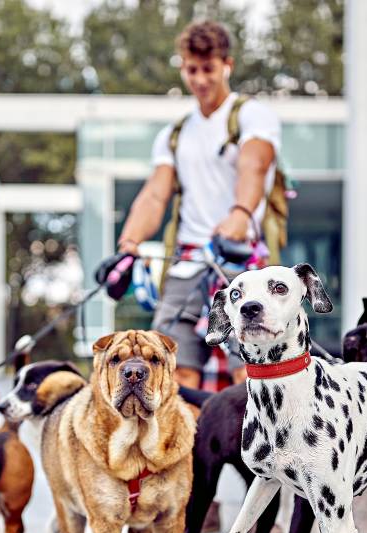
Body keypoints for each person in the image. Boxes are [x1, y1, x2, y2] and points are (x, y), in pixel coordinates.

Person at [116, 20, 281, 388]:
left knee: (249, 370)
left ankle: (250, 444)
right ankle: (186, 443)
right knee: (174, 367)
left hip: (240, 257)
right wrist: (129, 245)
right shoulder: (174, 135)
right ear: (183, 67)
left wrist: (239, 215)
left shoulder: (251, 116)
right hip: (187, 262)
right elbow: (155, 194)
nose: (201, 79)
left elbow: (255, 166)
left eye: (209, 69)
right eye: (192, 69)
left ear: (227, 65)